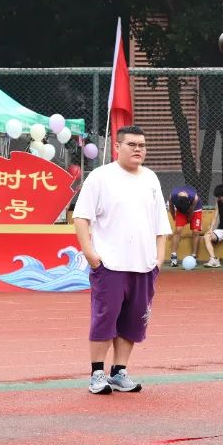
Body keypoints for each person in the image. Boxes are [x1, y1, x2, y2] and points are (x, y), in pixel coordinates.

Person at [73, 125, 171, 395]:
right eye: (132, 144)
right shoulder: (100, 177)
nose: (138, 149)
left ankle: (119, 372)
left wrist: (159, 258)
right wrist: (91, 255)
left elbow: (160, 223)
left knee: (134, 320)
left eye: (142, 145)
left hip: (144, 265)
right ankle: (97, 374)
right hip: (110, 265)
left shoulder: (150, 179)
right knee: (105, 318)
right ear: (117, 147)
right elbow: (81, 217)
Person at [167, 184, 202, 267]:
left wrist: (189, 218)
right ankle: (173, 257)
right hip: (180, 210)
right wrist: (174, 217)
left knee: (195, 231)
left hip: (195, 209)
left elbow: (192, 209)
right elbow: (171, 207)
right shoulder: (172, 196)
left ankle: (194, 256)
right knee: (178, 230)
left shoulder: (195, 198)